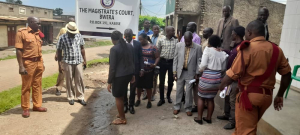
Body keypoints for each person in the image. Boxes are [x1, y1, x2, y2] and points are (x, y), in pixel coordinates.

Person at [219, 20, 291, 134]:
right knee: (244, 126)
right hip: (267, 97)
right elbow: (287, 74)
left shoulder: (247, 48)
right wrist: (280, 95)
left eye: (246, 33)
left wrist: (220, 87)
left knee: (246, 130)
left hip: (248, 97)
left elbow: (232, 74)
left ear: (249, 32)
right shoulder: (277, 49)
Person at [15, 17, 47, 118]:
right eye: (38, 23)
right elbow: (18, 50)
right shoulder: (21, 33)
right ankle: (25, 108)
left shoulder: (38, 33)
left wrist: (42, 63)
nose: (40, 25)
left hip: (38, 62)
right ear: (31, 22)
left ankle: (37, 105)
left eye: (40, 24)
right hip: (28, 63)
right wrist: (21, 66)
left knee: (37, 85)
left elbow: (39, 49)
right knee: (26, 86)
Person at [194, 35, 228, 125]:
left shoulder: (208, 50)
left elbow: (203, 65)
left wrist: (199, 70)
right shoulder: (223, 53)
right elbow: (224, 69)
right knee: (210, 99)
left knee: (201, 97)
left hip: (207, 77)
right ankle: (208, 118)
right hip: (217, 79)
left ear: (210, 42)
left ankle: (199, 118)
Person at [217, 26, 245, 130]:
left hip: (235, 78)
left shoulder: (242, 47)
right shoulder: (236, 46)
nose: (231, 34)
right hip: (229, 76)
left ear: (236, 34)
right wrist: (224, 50)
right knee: (227, 97)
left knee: (233, 100)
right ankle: (226, 114)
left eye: (232, 33)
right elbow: (232, 54)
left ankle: (232, 122)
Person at [107, 31, 135, 125]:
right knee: (122, 94)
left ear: (112, 39)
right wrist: (133, 75)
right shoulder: (130, 46)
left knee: (118, 97)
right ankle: (121, 113)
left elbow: (112, 68)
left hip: (119, 76)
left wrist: (109, 82)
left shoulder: (114, 49)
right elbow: (132, 61)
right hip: (128, 75)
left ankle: (122, 119)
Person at [57, 22, 87, 106]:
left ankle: (80, 97)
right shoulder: (62, 38)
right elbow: (59, 52)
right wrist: (59, 65)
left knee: (79, 79)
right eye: (72, 33)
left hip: (78, 61)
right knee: (69, 80)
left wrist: (85, 60)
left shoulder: (79, 36)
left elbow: (82, 48)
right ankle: (70, 97)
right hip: (67, 61)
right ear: (68, 31)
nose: (73, 34)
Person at [173, 32, 202, 116]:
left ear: (192, 38)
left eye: (189, 41)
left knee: (189, 92)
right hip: (180, 72)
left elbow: (199, 62)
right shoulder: (179, 45)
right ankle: (177, 107)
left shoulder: (198, 48)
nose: (187, 42)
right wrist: (174, 72)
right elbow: (175, 59)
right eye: (186, 40)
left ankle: (188, 108)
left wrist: (197, 73)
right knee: (179, 90)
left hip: (191, 73)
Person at [180, 22, 202, 112]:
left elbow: (196, 54)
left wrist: (197, 72)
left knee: (191, 87)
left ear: (194, 27)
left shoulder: (196, 38)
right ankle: (184, 101)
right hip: (183, 65)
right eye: (187, 25)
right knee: (181, 86)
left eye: (190, 26)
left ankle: (192, 105)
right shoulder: (183, 36)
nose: (187, 27)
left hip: (191, 66)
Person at [135, 33, 160, 108]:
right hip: (139, 71)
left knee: (148, 87)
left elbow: (158, 57)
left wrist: (155, 64)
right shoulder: (138, 47)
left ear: (146, 38)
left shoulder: (153, 47)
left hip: (149, 70)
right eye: (139, 40)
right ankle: (138, 99)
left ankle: (149, 101)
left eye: (141, 39)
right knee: (138, 86)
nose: (140, 41)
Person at [123, 29, 144, 114]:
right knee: (124, 89)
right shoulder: (122, 44)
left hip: (135, 70)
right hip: (124, 72)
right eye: (126, 36)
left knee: (132, 89)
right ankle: (125, 105)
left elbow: (140, 57)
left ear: (132, 35)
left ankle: (131, 105)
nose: (127, 38)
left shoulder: (137, 44)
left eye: (129, 36)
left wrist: (142, 69)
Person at [157, 26, 178, 106]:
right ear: (168, 32)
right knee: (161, 81)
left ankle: (168, 96)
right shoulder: (161, 40)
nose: (174, 32)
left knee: (170, 81)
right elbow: (158, 52)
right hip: (162, 62)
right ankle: (161, 99)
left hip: (171, 63)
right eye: (173, 31)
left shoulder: (176, 40)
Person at [54, 17, 75, 96]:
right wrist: (57, 53)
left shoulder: (76, 29)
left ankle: (70, 89)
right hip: (63, 54)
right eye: (70, 21)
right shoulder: (63, 30)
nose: (72, 22)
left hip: (72, 55)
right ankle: (58, 88)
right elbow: (58, 43)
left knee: (72, 72)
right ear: (67, 22)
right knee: (62, 72)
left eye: (73, 21)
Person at [149, 25, 165, 101]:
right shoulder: (149, 36)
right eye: (154, 29)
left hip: (157, 60)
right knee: (148, 77)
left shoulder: (162, 37)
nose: (156, 30)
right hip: (149, 59)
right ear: (152, 30)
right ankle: (147, 92)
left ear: (159, 30)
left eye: (157, 29)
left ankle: (153, 93)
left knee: (155, 77)